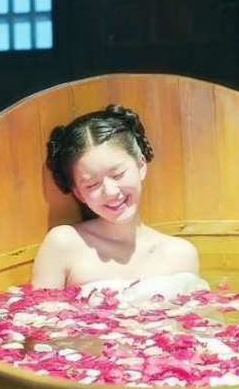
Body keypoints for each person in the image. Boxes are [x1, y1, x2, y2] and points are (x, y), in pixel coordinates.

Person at [32, 104, 203, 297]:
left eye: (117, 174)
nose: (110, 192)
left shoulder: (182, 255)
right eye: (92, 184)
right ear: (78, 193)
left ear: (141, 165)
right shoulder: (63, 244)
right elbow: (41, 314)